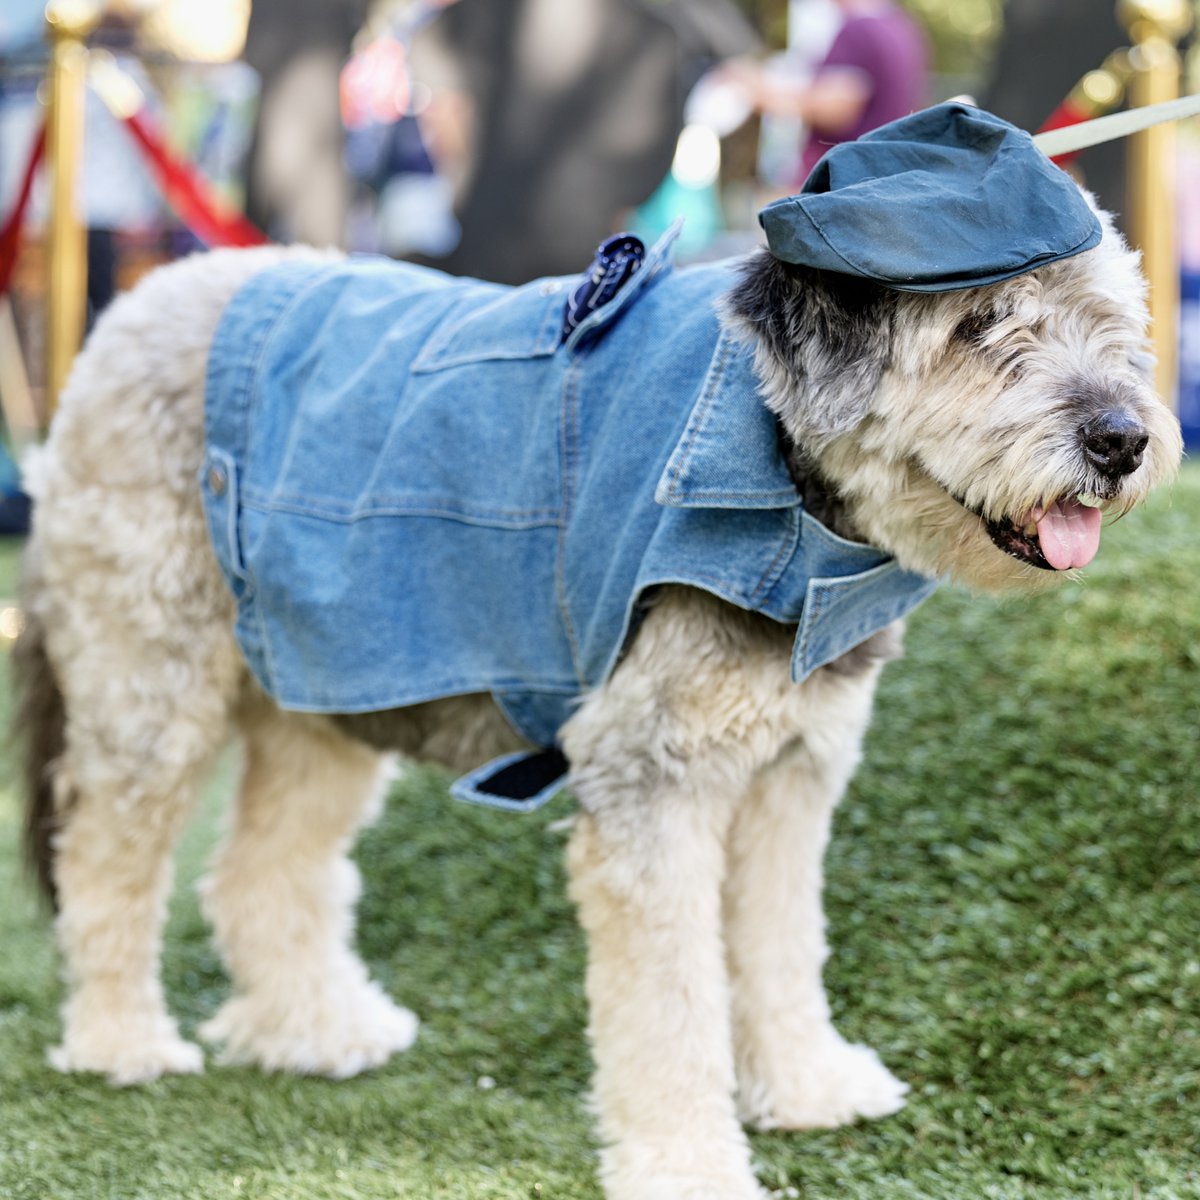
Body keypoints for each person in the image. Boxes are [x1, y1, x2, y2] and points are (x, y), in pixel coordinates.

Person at [747, 0, 929, 184]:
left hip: (839, 182)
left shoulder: (858, 30)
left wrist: (761, 94)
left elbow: (836, 108)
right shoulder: (903, 28)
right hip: (881, 177)